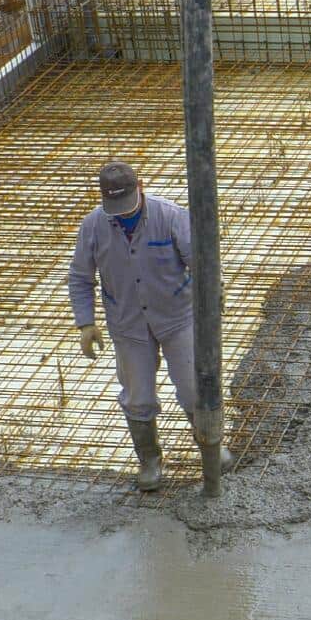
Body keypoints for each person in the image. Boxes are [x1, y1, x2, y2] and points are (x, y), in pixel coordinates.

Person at [67, 161, 235, 491]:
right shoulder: (93, 226)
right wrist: (85, 323)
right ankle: (149, 459)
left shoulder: (169, 216)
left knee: (193, 388)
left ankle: (211, 446)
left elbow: (201, 260)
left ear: (140, 186)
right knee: (137, 395)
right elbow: (79, 277)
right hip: (127, 323)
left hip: (177, 317)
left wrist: (214, 298)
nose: (121, 213)